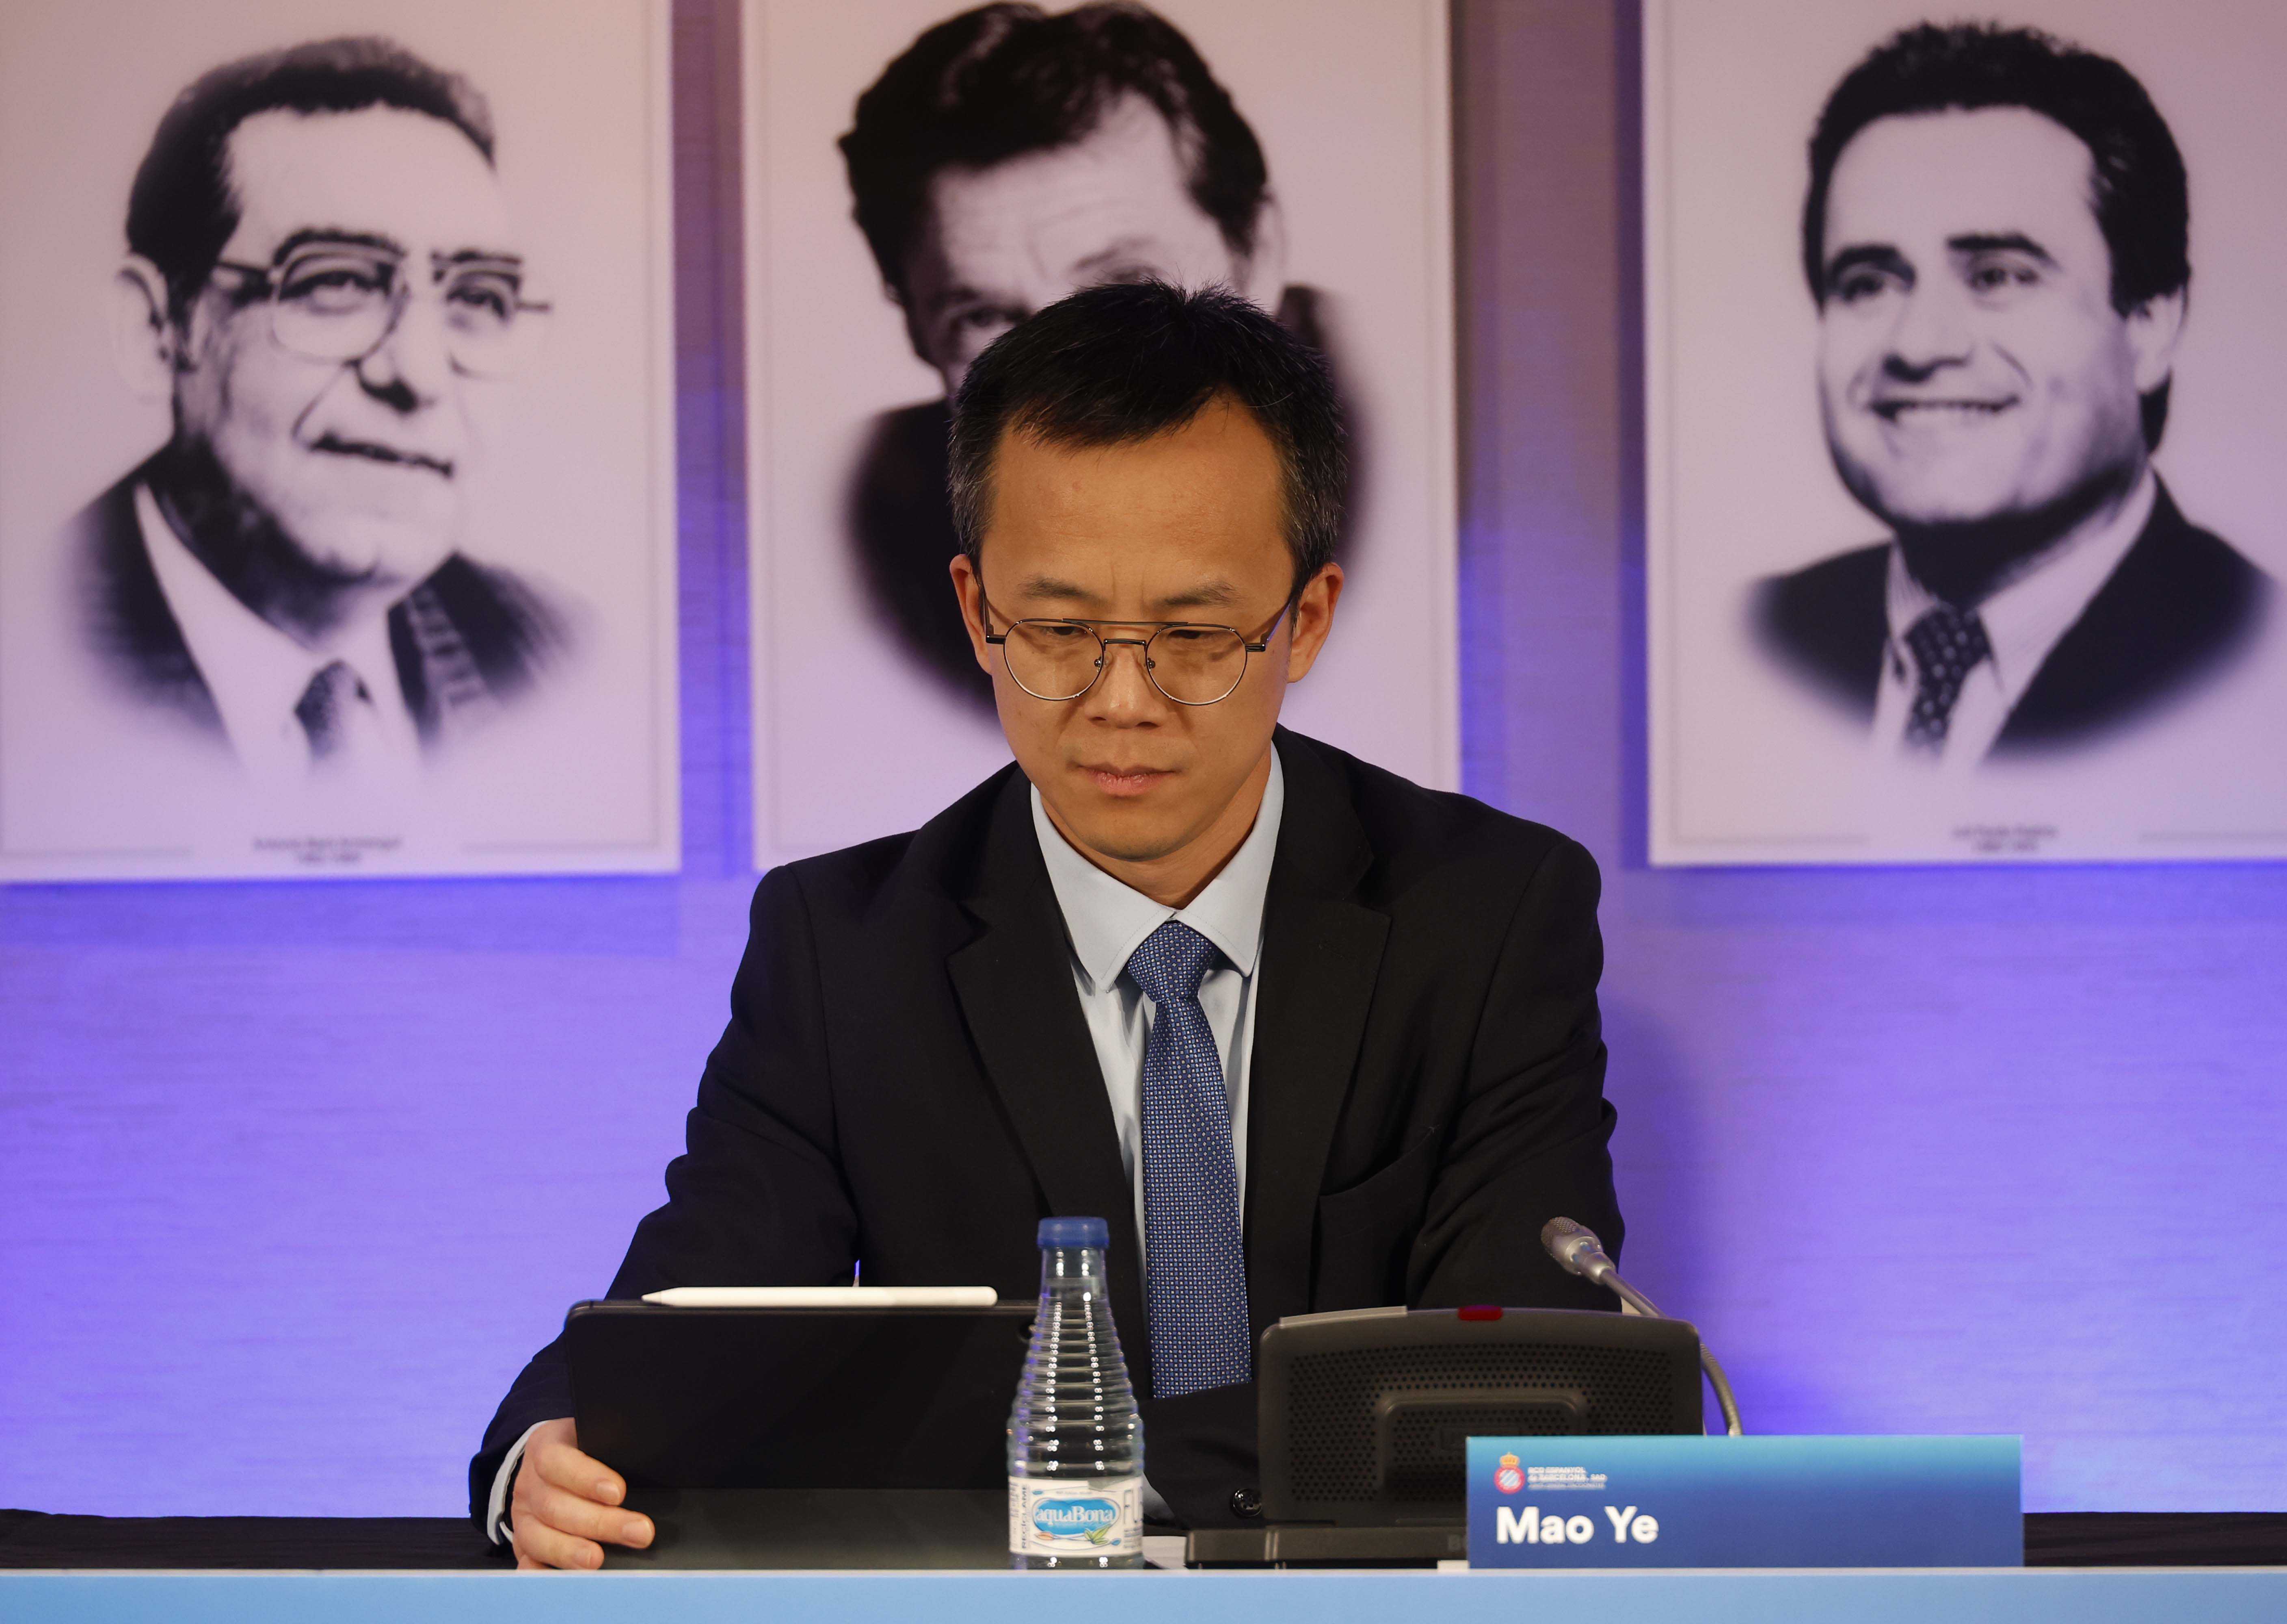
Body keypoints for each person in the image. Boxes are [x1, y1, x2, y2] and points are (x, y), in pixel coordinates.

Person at [473, 283, 1622, 1567]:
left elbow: (1527, 1396)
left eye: (1196, 635)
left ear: (1305, 619)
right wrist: (549, 1454)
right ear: (978, 611)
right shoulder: (847, 951)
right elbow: (688, 1322)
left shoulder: (1486, 918)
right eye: (1063, 631)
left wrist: (1003, 1463)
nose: (1122, 701)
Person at [1753, 23, 2268, 769]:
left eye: (1997, 275)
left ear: (2149, 326)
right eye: (1869, 285)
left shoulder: (2253, 652)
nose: (1918, 344)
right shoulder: (1767, 639)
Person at [67, 36, 566, 791]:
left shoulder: (546, 650)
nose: (419, 375)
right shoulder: (35, 647)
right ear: (158, 330)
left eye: (476, 296)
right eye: (335, 281)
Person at [837, 0, 1355, 708]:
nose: (1074, 383)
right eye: (984, 317)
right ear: (917, 328)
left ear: (1260, 255)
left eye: (1125, 292)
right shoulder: (867, 517)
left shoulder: (1394, 440)